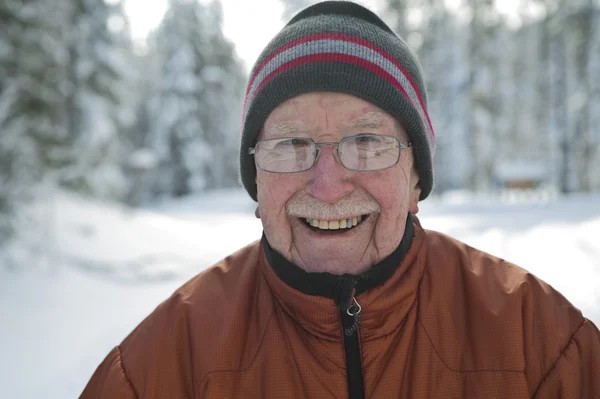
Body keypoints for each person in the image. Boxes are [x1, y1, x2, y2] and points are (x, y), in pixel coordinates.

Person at [81, 1, 600, 398]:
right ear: (256, 183)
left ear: (416, 177)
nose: (327, 185)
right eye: (290, 145)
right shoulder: (162, 365)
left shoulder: (544, 346)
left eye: (368, 143)